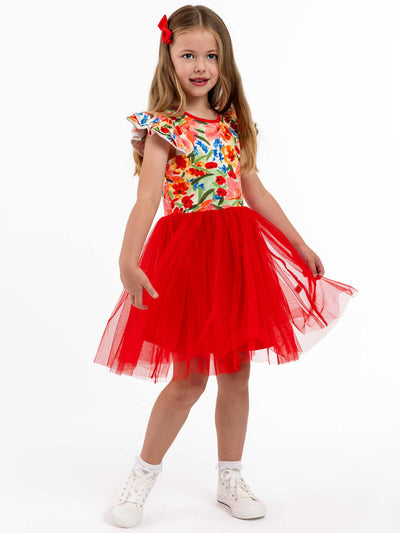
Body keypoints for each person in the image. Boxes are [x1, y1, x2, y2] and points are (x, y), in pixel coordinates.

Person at [93, 5, 359, 528]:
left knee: (235, 375)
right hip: (188, 260)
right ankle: (142, 476)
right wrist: (128, 258)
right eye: (188, 54)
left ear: (224, 61)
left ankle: (230, 476)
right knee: (189, 379)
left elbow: (254, 190)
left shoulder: (234, 124)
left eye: (210, 55)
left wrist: (298, 242)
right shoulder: (162, 129)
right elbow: (147, 200)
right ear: (168, 57)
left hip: (238, 258)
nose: (200, 65)